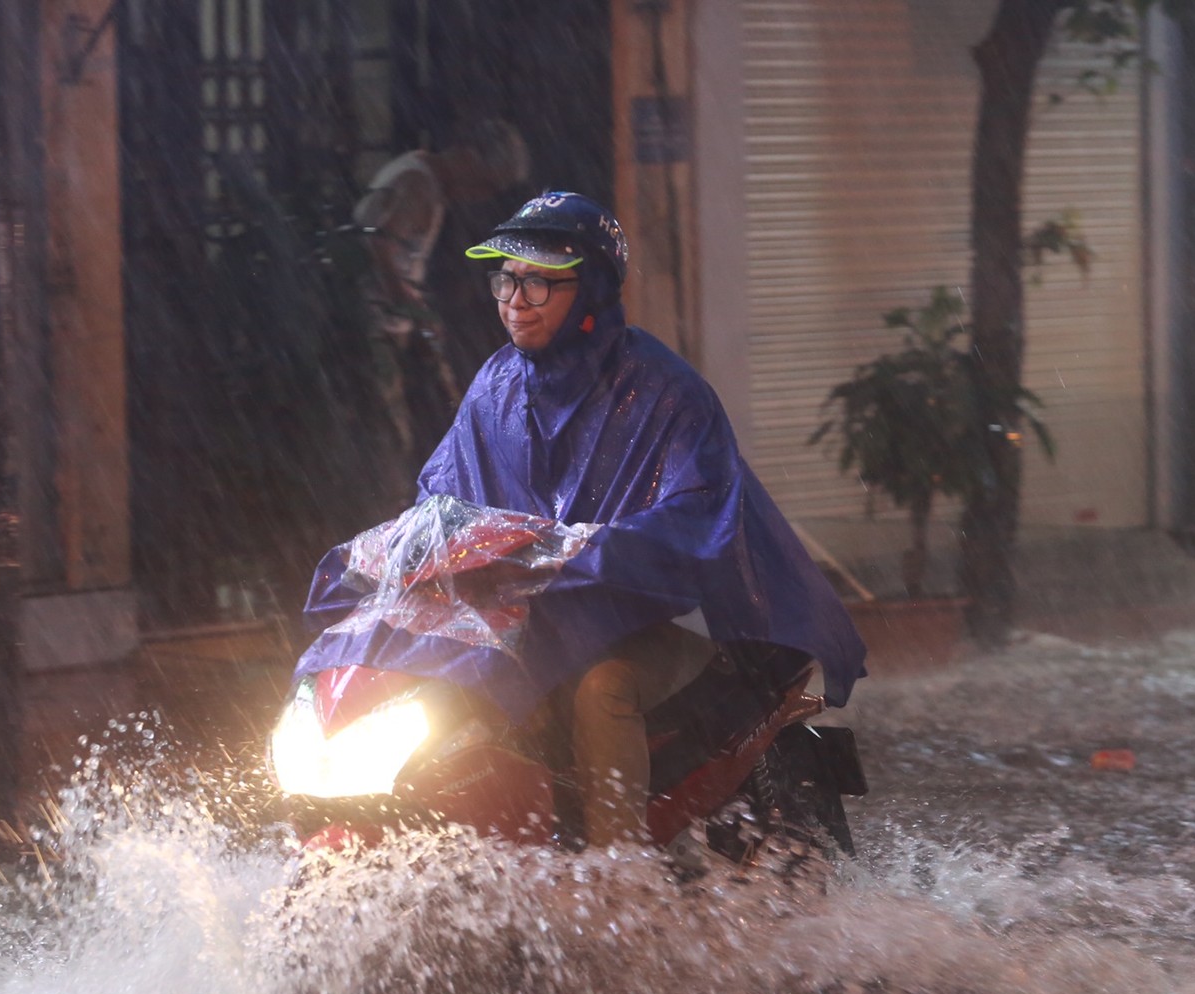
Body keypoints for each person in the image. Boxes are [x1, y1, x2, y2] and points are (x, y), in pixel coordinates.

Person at [411, 192, 868, 854]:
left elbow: (697, 515)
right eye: (505, 278)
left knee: (603, 690)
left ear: (592, 287)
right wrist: (422, 544)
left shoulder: (666, 391)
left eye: (539, 280)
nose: (516, 297)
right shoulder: (495, 386)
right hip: (532, 622)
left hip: (661, 628)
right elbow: (441, 488)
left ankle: (615, 880)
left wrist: (585, 553)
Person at [354, 119, 530, 487]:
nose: (478, 195)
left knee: (393, 425)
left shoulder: (416, 171)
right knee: (387, 433)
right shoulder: (419, 185)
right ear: (468, 157)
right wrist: (408, 303)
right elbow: (379, 245)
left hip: (382, 323)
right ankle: (382, 507)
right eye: (484, 183)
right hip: (371, 324)